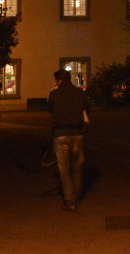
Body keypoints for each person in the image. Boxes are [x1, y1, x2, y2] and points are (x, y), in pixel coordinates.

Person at [47, 69, 90, 211]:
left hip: (60, 134)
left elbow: (49, 109)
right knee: (77, 167)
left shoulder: (54, 94)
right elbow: (87, 108)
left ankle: (70, 201)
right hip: (77, 133)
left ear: (58, 81)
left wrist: (52, 92)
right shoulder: (80, 93)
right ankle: (76, 196)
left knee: (64, 169)